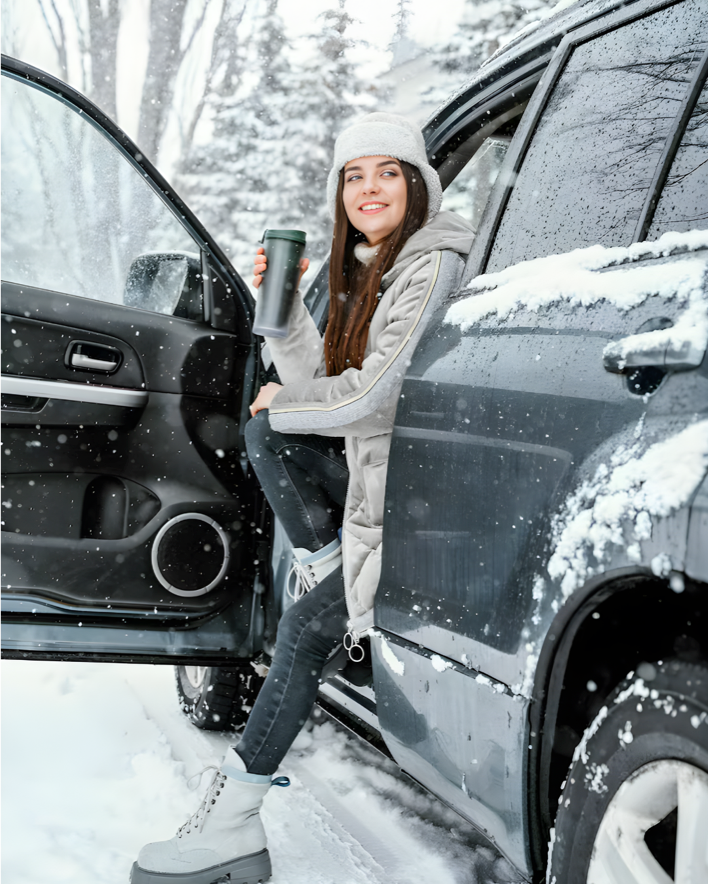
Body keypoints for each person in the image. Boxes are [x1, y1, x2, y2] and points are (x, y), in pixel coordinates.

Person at [131, 113, 474, 884]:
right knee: (269, 436)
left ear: (419, 184)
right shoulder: (379, 270)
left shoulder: (432, 263)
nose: (369, 188)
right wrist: (281, 311)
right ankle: (327, 571)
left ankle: (231, 823)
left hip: (420, 511)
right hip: (386, 495)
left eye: (387, 172)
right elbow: (324, 385)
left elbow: (370, 396)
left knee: (303, 624)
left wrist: (281, 402)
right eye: (354, 176)